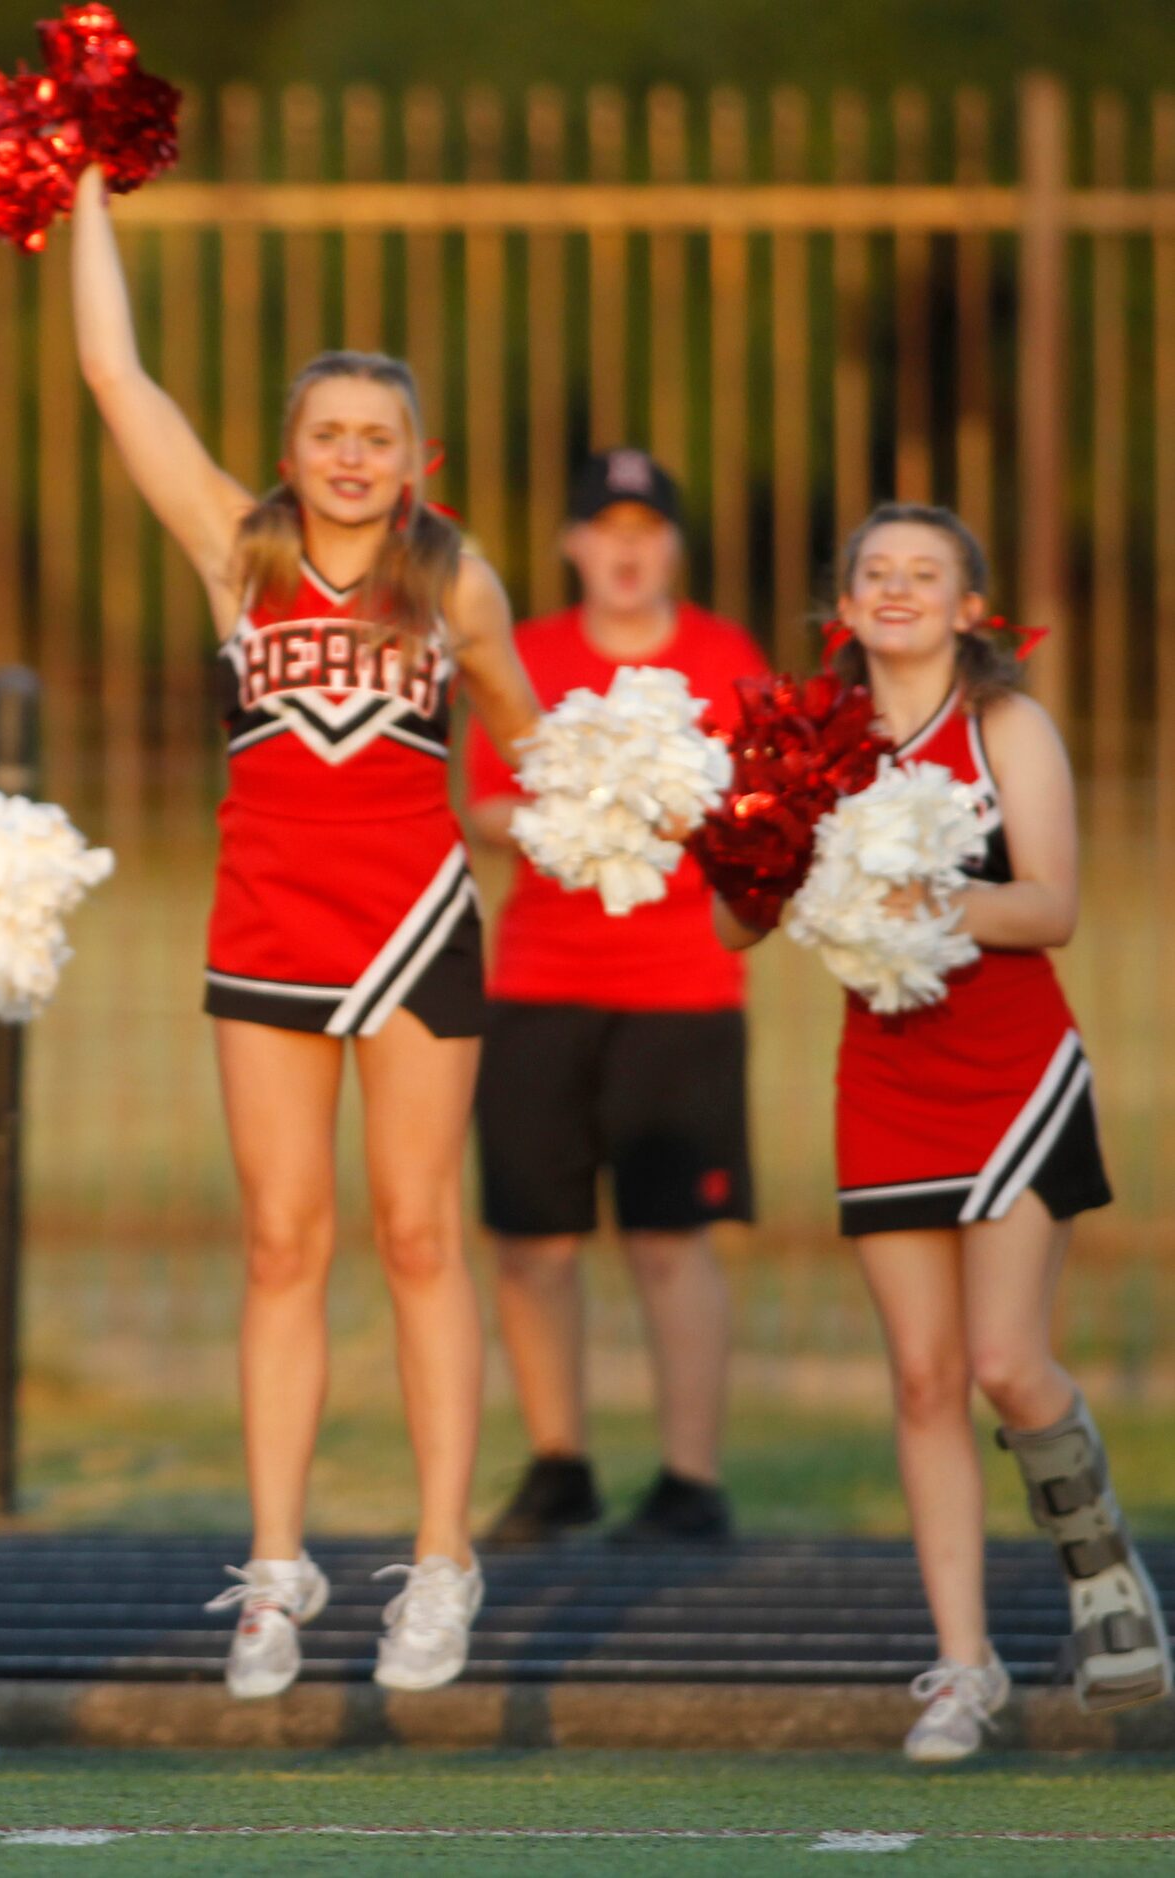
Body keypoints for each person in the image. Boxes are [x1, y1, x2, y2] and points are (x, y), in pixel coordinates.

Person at [70, 168, 542, 1698]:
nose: (349, 459)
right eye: (326, 434)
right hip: (265, 924)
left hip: (415, 928)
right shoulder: (236, 548)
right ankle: (274, 1568)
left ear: (417, 461)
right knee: (281, 1240)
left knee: (416, 1233)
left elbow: (537, 762)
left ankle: (441, 1559)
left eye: (377, 439)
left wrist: (609, 834)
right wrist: (78, 185)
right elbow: (113, 376)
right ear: (289, 453)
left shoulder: (455, 575)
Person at [715, 504, 1164, 1762]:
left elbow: (1056, 905)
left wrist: (928, 893)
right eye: (876, 573)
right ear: (842, 607)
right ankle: (963, 1669)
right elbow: (732, 933)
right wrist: (746, 840)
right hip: (887, 1079)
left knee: (1007, 1365)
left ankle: (1101, 1569)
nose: (898, 589)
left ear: (972, 608)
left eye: (928, 574)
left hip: (1014, 1072)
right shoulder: (810, 739)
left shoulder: (1007, 725)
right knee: (921, 1377)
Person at [463, 450, 766, 1546]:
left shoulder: (724, 657)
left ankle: (692, 1478)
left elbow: (759, 809)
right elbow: (489, 805)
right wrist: (585, 809)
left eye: (647, 527)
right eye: (606, 526)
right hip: (541, 979)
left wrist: (675, 813)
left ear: (673, 544)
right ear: (573, 544)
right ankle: (560, 1461)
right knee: (533, 1240)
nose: (627, 547)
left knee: (669, 1237)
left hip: (682, 983)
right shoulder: (530, 654)